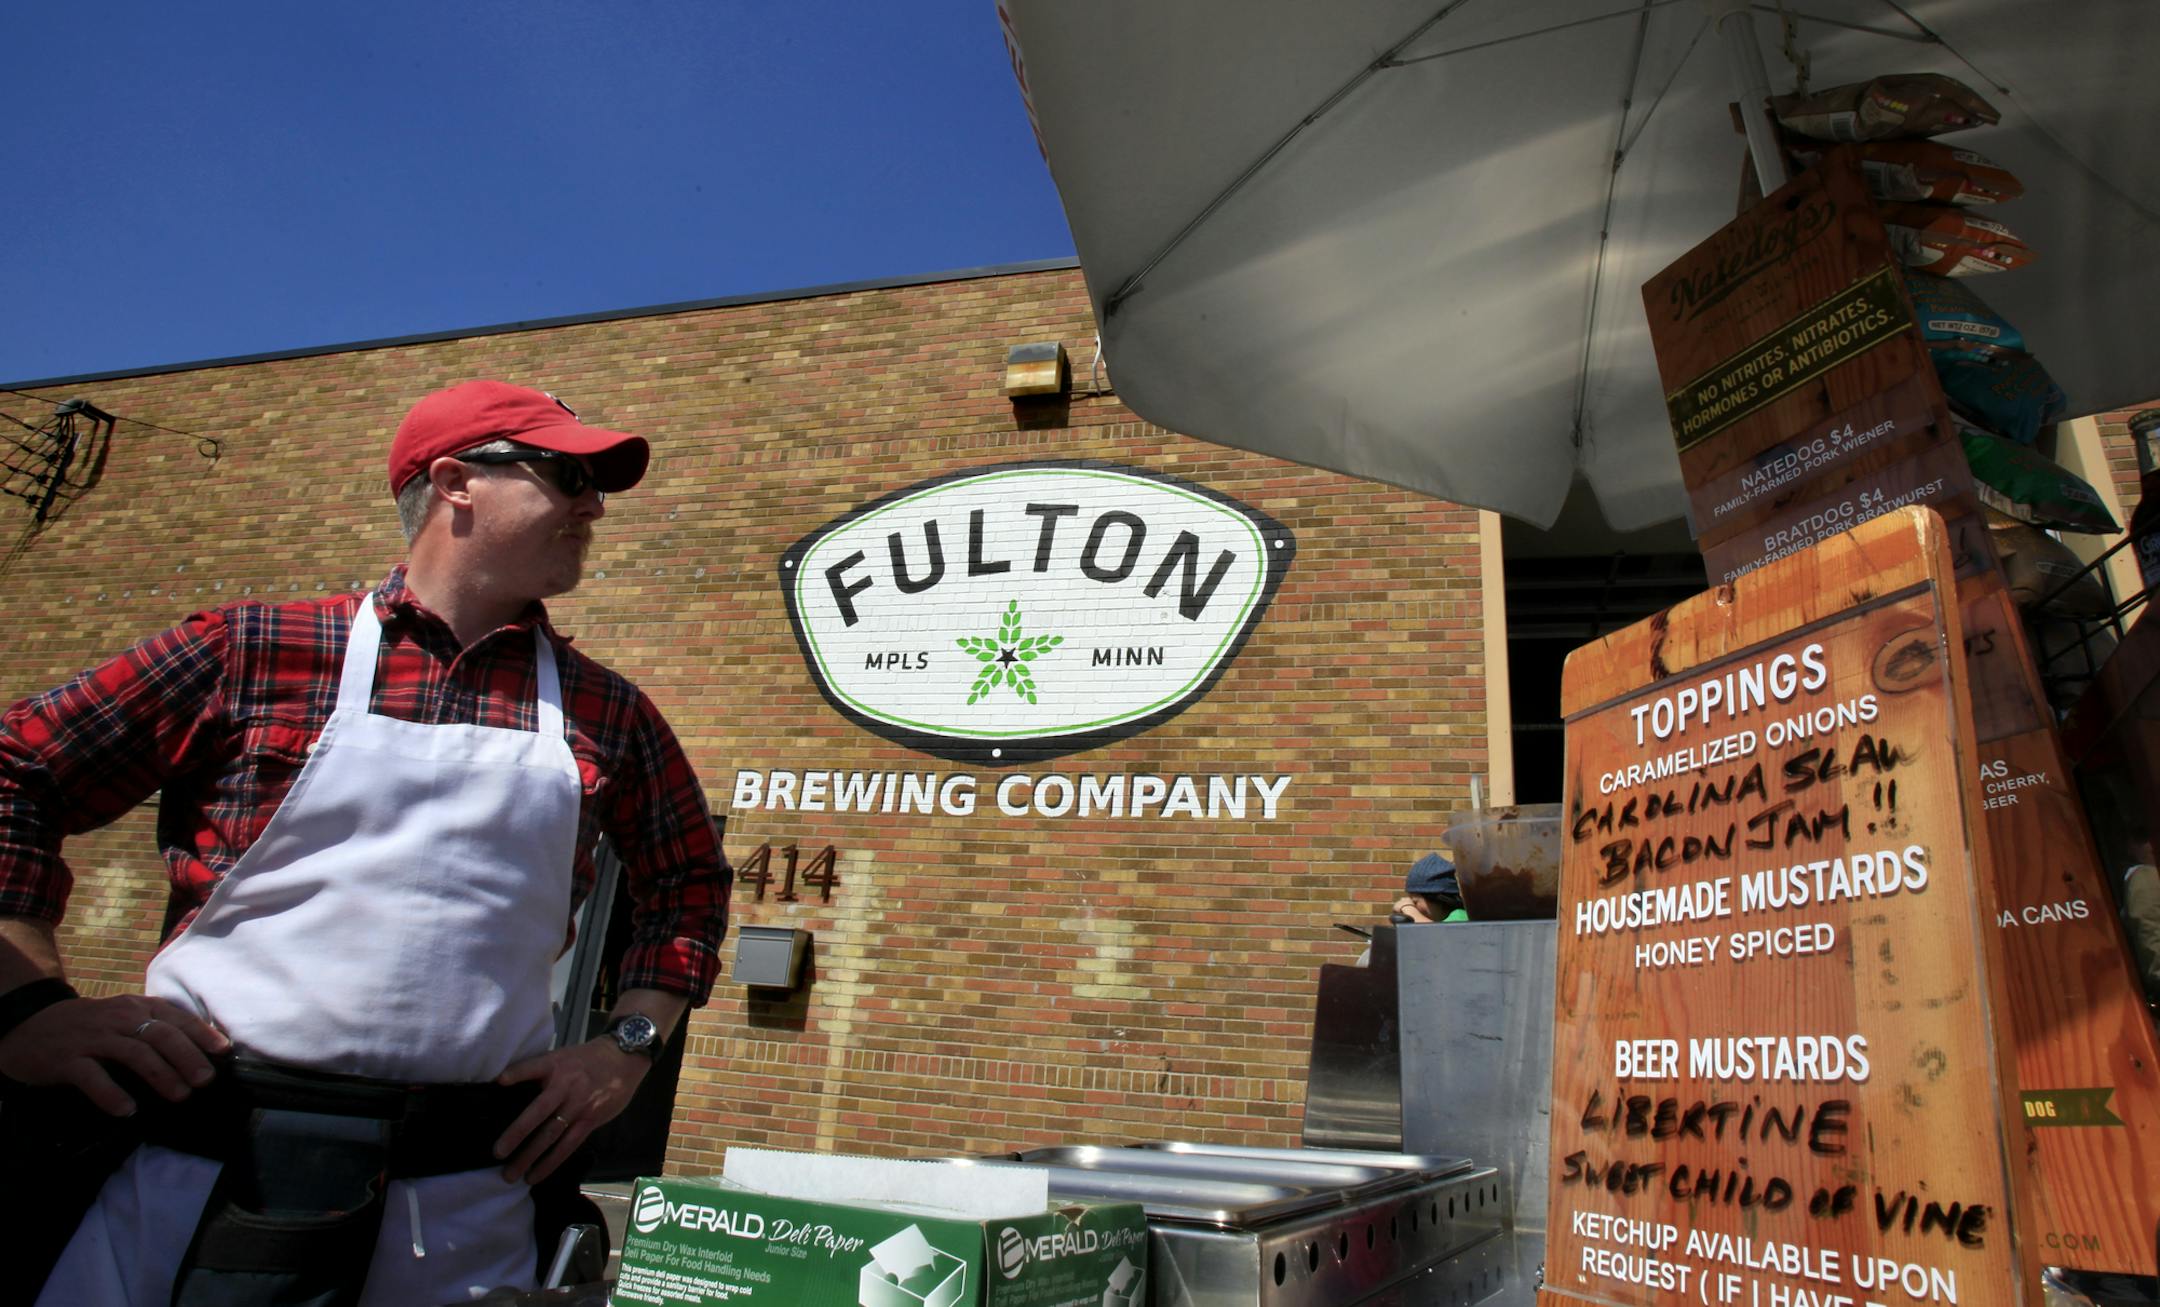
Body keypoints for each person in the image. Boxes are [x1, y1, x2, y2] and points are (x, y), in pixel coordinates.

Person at [0, 380, 732, 1307]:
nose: (593, 504)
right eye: (566, 473)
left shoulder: (607, 709)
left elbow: (688, 880)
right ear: (456, 480)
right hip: (204, 1178)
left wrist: (626, 1045)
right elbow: (16, 772)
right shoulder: (254, 650)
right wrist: (26, 1007)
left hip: (464, 1198)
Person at [1392, 852, 1468, 924]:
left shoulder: (1460, 916)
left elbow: (1437, 933)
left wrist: (1408, 908)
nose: (1413, 905)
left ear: (1437, 899)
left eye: (1415, 902)